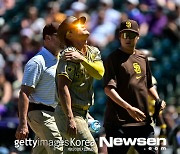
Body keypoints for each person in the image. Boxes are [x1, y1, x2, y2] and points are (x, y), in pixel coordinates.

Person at [103, 19, 166, 154]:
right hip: (118, 123)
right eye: (125, 35)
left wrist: (157, 99)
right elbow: (108, 89)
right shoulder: (112, 58)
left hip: (142, 123)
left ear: (138, 37)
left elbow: (148, 84)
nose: (128, 39)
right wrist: (128, 108)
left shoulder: (142, 58)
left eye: (131, 35)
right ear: (119, 36)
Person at [54, 16, 104, 153]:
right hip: (69, 113)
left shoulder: (92, 51)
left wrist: (82, 59)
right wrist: (70, 118)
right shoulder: (68, 55)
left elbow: (99, 73)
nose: (83, 25)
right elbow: (62, 88)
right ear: (69, 34)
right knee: (91, 149)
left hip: (83, 112)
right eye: (77, 25)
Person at [15, 22, 63, 154]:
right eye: (59, 35)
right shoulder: (37, 62)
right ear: (47, 38)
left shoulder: (60, 60)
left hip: (53, 114)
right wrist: (22, 124)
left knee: (41, 152)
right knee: (59, 149)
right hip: (40, 114)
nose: (64, 38)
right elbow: (24, 93)